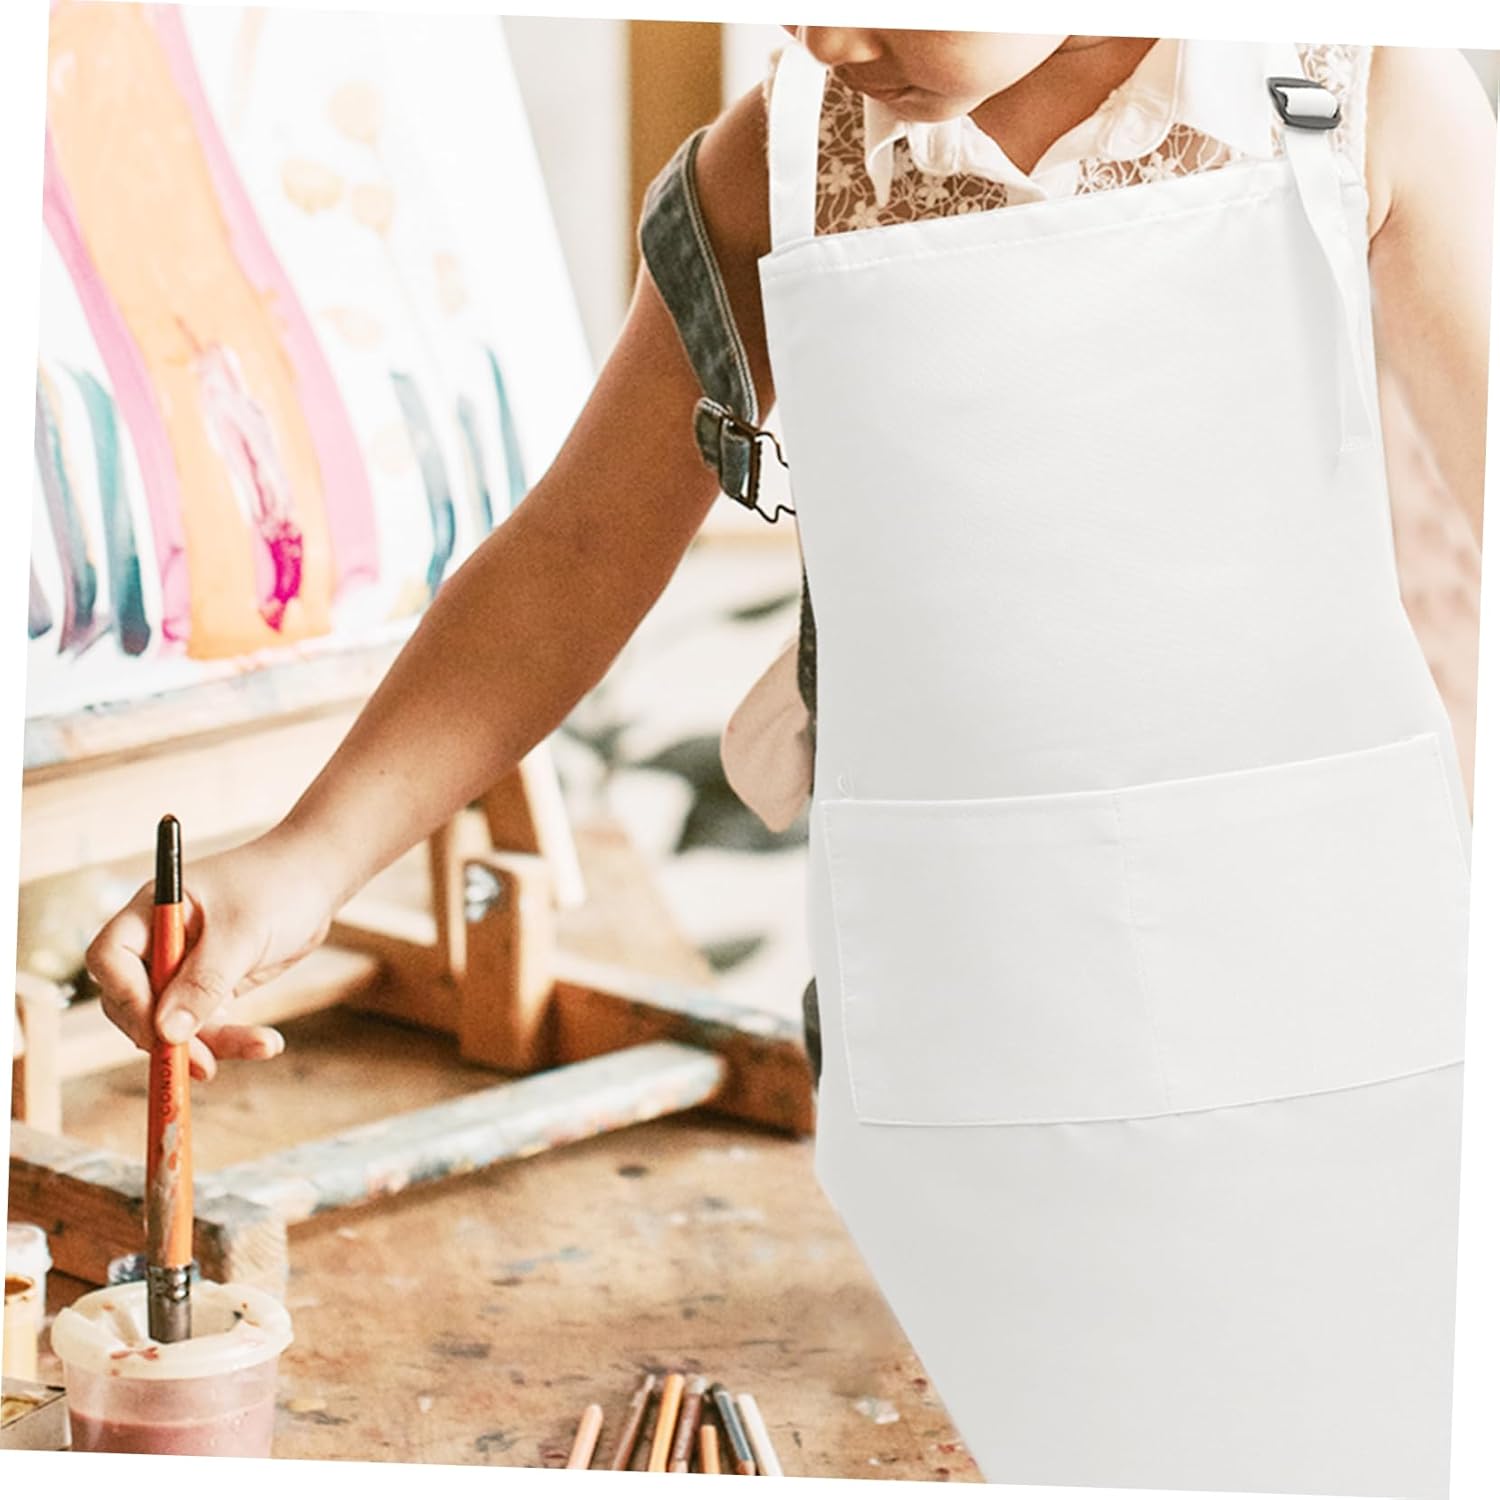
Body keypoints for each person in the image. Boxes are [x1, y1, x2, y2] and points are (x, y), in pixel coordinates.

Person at [87, 29, 1492, 1494]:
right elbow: (574, 554)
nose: (823, 31)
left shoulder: (1359, 92)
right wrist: (304, 862)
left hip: (1335, 1052)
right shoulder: (783, 160)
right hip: (973, 1069)